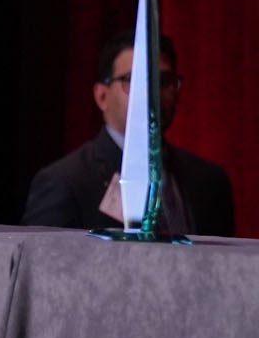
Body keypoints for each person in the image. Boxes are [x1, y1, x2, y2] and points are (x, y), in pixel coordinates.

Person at [23, 31, 236, 236]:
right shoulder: (66, 183)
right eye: (135, 80)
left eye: (163, 81)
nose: (152, 92)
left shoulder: (209, 182)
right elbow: (45, 269)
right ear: (102, 96)